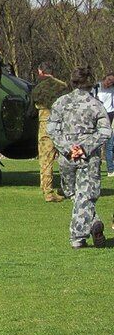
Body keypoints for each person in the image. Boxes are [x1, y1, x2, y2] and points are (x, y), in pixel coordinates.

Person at [47, 67, 109, 249]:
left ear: (72, 82)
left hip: (66, 157)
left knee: (74, 193)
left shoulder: (60, 102)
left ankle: (90, 225)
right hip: (88, 157)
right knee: (86, 195)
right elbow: (105, 131)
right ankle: (79, 235)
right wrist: (84, 148)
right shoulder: (95, 104)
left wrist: (66, 148)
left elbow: (51, 129)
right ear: (90, 83)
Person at [30, 61, 67, 202]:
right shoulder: (63, 86)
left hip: (45, 123)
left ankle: (48, 191)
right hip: (62, 124)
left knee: (46, 159)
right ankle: (67, 189)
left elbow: (31, 112)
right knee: (66, 157)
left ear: (40, 72)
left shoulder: (37, 87)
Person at [91, 72, 114, 176]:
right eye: (108, 80)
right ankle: (97, 168)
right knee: (97, 145)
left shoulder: (112, 90)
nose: (109, 83)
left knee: (110, 145)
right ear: (104, 78)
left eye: (111, 82)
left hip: (110, 116)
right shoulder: (96, 87)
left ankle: (110, 170)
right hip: (98, 116)